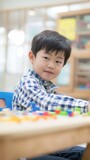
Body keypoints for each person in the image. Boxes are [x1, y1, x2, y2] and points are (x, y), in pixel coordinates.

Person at [12, 30, 90, 160]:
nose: (51, 65)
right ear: (32, 57)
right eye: (46, 58)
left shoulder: (47, 86)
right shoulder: (28, 82)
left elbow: (59, 108)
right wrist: (86, 106)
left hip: (45, 145)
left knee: (81, 153)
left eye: (58, 61)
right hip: (25, 151)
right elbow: (47, 102)